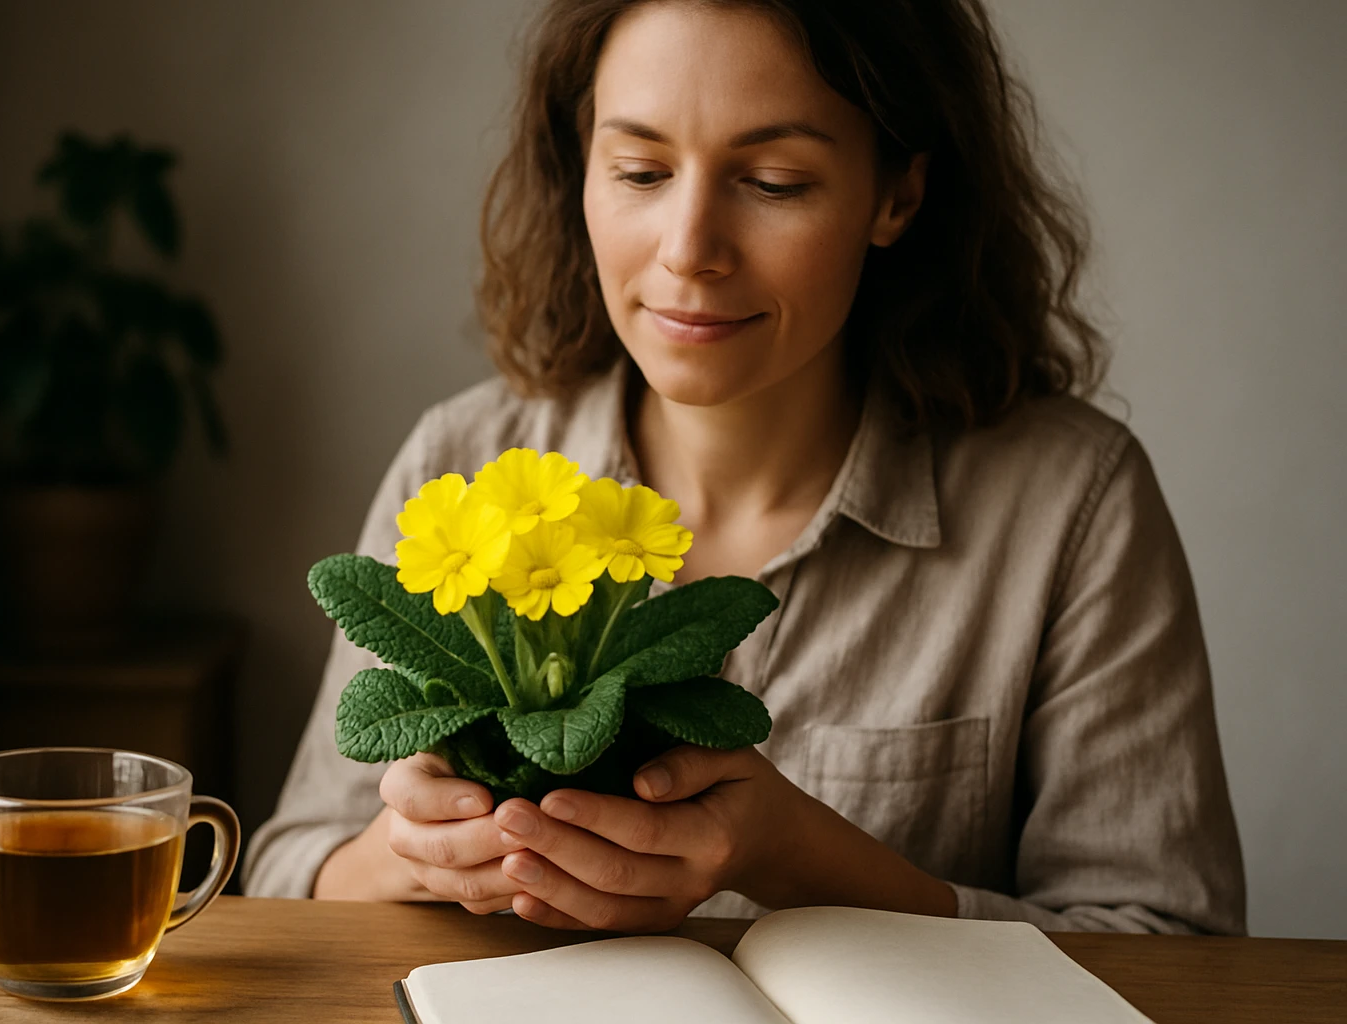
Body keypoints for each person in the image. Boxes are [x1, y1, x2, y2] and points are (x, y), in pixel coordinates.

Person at [244, 0, 1246, 936]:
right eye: (639, 172)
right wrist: (411, 856)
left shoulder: (1071, 500)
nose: (689, 250)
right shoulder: (462, 465)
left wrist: (798, 857)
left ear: (896, 193)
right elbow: (288, 870)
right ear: (579, 169)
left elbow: (1172, 946)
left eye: (774, 184)